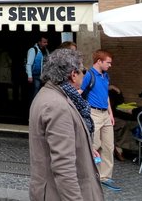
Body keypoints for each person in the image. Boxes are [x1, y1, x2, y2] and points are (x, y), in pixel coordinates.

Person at [29, 48, 103, 200]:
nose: (85, 75)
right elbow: (63, 166)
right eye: (83, 71)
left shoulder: (49, 95)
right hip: (55, 193)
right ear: (73, 74)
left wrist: (85, 147)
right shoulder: (57, 105)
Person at [80, 49, 120, 192]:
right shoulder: (88, 76)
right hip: (94, 113)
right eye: (108, 63)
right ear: (99, 62)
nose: (110, 65)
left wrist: (110, 113)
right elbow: (78, 92)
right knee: (94, 146)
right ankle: (92, 176)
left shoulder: (105, 75)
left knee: (108, 147)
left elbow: (106, 95)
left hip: (105, 115)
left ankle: (105, 177)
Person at [26, 35, 49, 100]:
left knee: (41, 93)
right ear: (39, 42)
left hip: (43, 76)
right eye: (44, 42)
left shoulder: (46, 51)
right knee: (35, 92)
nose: (46, 44)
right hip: (35, 75)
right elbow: (29, 64)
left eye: (46, 42)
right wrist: (29, 76)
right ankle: (33, 107)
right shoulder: (33, 50)